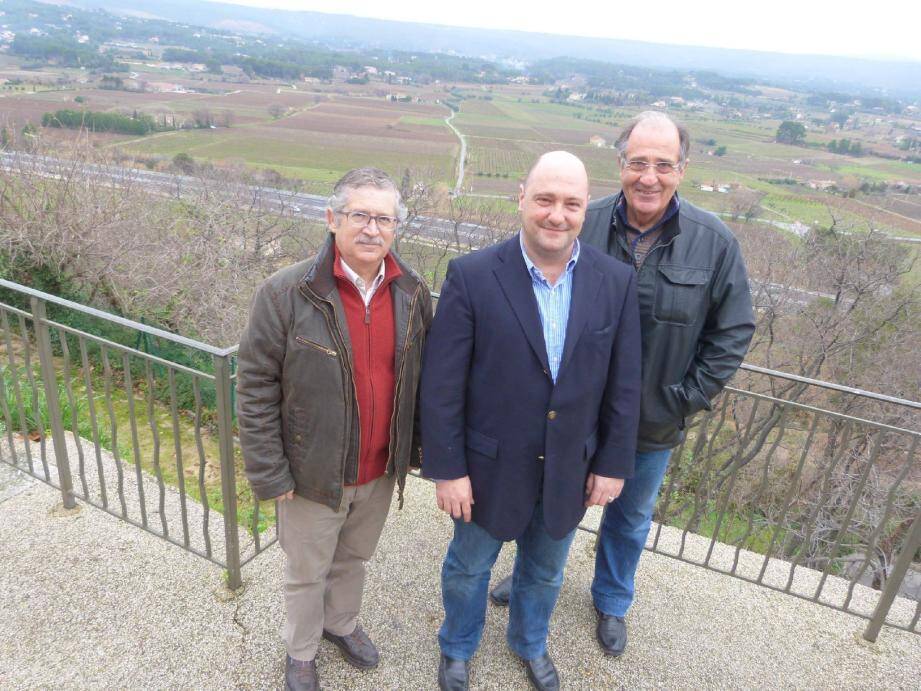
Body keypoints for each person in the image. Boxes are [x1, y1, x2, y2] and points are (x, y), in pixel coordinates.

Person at [489, 112, 756, 659]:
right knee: (545, 503)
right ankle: (527, 580)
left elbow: (732, 333)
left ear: (683, 169)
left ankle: (611, 601)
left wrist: (682, 401)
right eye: (638, 163)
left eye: (663, 164)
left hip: (651, 420)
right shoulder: (580, 221)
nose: (649, 177)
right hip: (568, 414)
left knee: (630, 518)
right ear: (621, 165)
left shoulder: (714, 243)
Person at [421, 151, 642, 691]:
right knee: (469, 568)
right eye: (545, 199)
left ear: (585, 208)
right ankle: (458, 647)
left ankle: (529, 644)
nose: (556, 215)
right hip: (484, 468)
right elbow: (442, 385)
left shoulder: (615, 282)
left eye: (570, 203)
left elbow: (624, 384)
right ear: (521, 197)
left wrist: (612, 464)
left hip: (568, 468)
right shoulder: (471, 276)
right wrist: (448, 470)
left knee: (545, 572)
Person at [236, 168, 433, 691]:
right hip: (310, 473)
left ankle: (340, 624)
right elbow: (254, 388)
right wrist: (271, 473)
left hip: (379, 468)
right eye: (360, 215)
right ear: (332, 219)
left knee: (354, 558)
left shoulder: (413, 293)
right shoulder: (284, 293)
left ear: (396, 226)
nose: (372, 228)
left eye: (384, 218)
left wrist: (414, 450)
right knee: (306, 571)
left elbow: (421, 377)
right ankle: (301, 653)